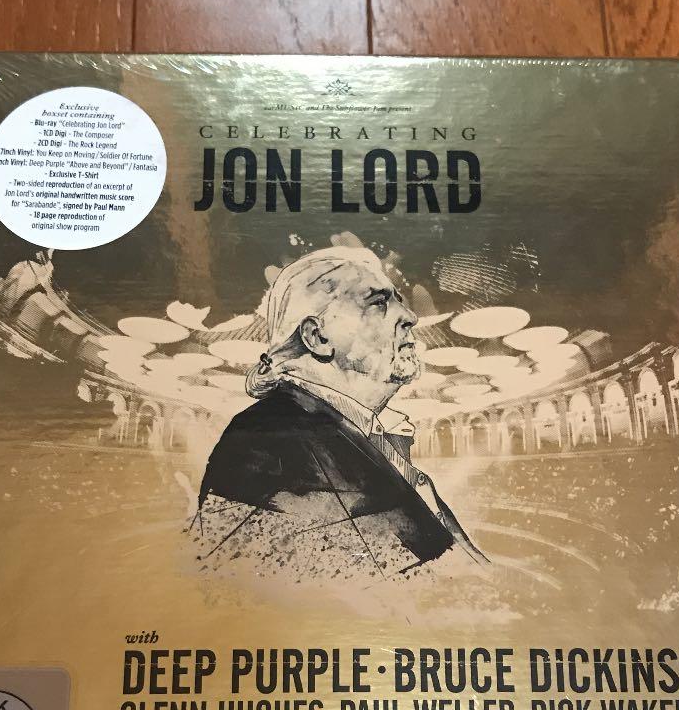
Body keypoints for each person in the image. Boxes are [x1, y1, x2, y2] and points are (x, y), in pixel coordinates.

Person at [195, 244, 486, 580]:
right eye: (378, 302)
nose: (410, 316)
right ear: (317, 337)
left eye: (399, 300)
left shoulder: (368, 436)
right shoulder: (260, 442)